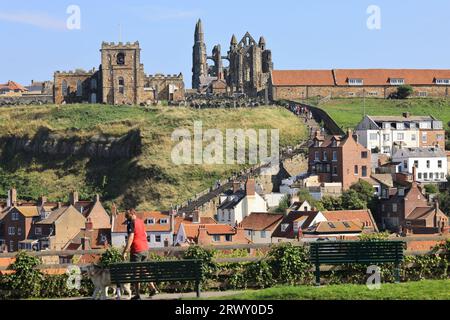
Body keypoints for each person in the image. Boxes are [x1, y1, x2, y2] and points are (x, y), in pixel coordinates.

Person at [122, 209, 158, 300]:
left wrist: (125, 251)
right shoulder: (141, 222)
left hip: (136, 250)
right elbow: (145, 234)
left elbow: (131, 237)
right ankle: (153, 288)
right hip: (145, 249)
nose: (127, 218)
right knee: (144, 270)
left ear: (132, 214)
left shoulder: (131, 223)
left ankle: (137, 294)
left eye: (127, 216)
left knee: (136, 272)